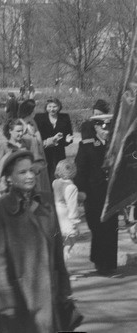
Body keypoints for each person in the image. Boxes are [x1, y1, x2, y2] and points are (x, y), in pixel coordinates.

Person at [0, 149, 74, 333]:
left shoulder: (46, 203)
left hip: (47, 295)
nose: (30, 176)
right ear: (9, 177)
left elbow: (57, 251)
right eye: (22, 172)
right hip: (17, 299)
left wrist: (64, 288)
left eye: (32, 171)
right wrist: (6, 301)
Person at [74, 113, 118, 276]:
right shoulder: (87, 146)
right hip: (93, 193)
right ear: (96, 128)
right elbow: (80, 170)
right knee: (98, 227)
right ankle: (100, 263)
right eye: (103, 128)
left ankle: (109, 263)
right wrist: (81, 190)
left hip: (111, 192)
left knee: (111, 227)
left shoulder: (115, 145)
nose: (106, 131)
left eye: (109, 128)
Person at [34, 98, 73, 181]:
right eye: (49, 106)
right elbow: (36, 136)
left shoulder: (65, 117)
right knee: (46, 177)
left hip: (59, 153)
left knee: (59, 176)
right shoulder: (39, 118)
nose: (52, 109)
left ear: (59, 107)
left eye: (54, 106)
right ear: (46, 107)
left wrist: (67, 141)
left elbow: (69, 135)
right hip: (45, 152)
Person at [0, 119, 30, 196]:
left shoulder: (25, 144)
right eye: (18, 131)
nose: (21, 133)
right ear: (10, 131)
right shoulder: (2, 145)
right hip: (6, 184)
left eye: (22, 131)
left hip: (23, 183)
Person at [53, 159, 81, 263]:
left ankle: (63, 260)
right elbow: (72, 205)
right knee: (71, 240)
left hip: (56, 211)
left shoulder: (55, 182)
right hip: (65, 214)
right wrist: (74, 220)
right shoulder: (72, 187)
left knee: (63, 240)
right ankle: (64, 263)